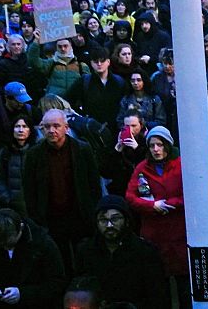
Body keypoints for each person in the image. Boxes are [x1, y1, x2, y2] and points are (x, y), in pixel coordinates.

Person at [23, 109, 102, 271]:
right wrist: (37, 218)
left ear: (66, 128)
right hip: (51, 218)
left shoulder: (82, 149)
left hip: (80, 214)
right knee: (59, 260)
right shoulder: (33, 155)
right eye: (47, 127)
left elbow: (94, 184)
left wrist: (93, 211)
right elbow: (29, 190)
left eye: (56, 126)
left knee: (84, 257)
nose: (51, 130)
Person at [124, 126, 189, 305]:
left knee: (185, 288)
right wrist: (152, 206)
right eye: (152, 146)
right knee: (159, 289)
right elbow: (130, 197)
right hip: (154, 237)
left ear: (168, 146)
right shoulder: (142, 168)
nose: (156, 150)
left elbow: (191, 194)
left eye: (160, 145)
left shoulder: (182, 164)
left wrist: (169, 204)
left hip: (179, 235)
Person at [74, 195, 170, 309]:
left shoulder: (145, 252)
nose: (109, 225)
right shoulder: (86, 251)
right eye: (103, 220)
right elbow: (80, 289)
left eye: (115, 219)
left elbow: (158, 296)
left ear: (126, 220)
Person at [0, 208, 65, 308]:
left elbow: (56, 283)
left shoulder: (42, 244)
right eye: (1, 243)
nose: (5, 247)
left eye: (9, 242)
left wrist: (23, 294)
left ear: (20, 228)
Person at [0, 116, 35, 216]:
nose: (21, 130)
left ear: (30, 130)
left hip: (34, 205)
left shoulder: (36, 151)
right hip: (13, 206)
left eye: (24, 126)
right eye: (17, 126)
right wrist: (6, 198)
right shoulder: (5, 152)